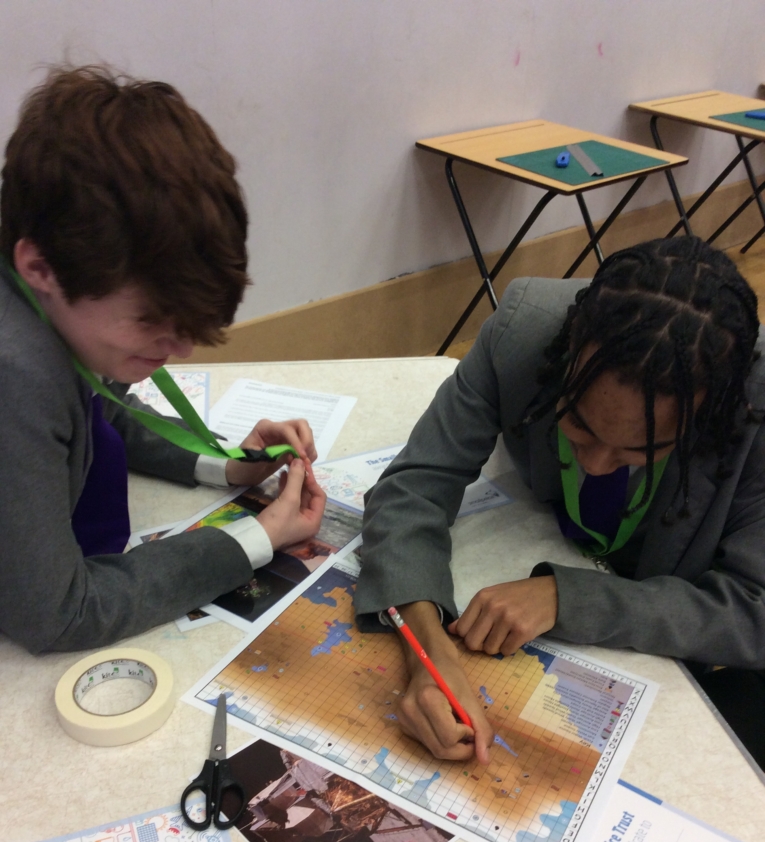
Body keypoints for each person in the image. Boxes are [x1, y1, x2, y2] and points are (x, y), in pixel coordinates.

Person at [355, 237, 765, 769]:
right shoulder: (520, 334)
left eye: (643, 450)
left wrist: (567, 598)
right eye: (579, 425)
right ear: (566, 355)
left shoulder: (753, 406)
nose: (595, 464)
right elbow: (414, 487)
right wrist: (429, 652)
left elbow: (753, 612)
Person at [0, 65, 326, 654]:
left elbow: (98, 408)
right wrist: (256, 536)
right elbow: (57, 613)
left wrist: (228, 463)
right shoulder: (13, 371)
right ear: (41, 268)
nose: (179, 350)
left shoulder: (47, 297)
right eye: (151, 319)